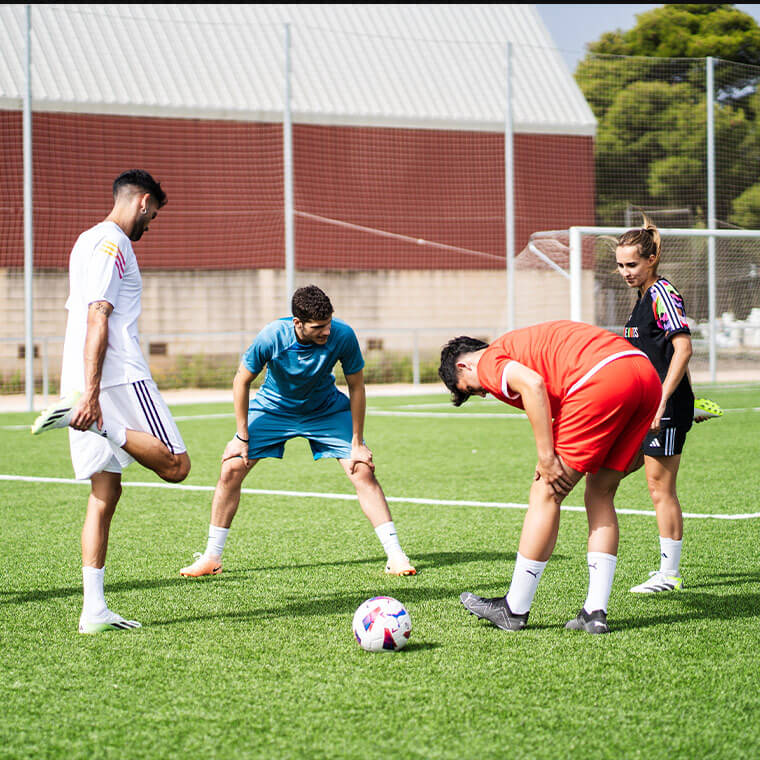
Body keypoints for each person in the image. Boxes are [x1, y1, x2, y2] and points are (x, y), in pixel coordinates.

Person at [31, 169, 191, 634]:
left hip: (88, 377)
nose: (150, 225)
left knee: (105, 492)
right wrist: (94, 396)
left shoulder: (85, 240)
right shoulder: (112, 243)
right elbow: (98, 315)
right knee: (177, 466)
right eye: (153, 215)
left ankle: (93, 610)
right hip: (118, 377)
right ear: (142, 202)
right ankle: (97, 424)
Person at [438, 320, 661, 634]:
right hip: (643, 373)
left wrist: (546, 456)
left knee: (545, 493)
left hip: (600, 378)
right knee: (600, 493)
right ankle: (594, 613)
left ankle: (513, 609)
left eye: (472, 388)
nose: (484, 393)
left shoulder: (489, 360)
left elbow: (532, 385)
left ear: (464, 363)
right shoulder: (520, 345)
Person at [179, 285, 416, 579]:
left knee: (362, 469)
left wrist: (357, 442)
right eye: (318, 328)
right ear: (297, 324)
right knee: (231, 468)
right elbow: (241, 381)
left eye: (328, 324)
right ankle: (211, 558)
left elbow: (356, 386)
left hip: (325, 410)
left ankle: (395, 555)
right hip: (274, 409)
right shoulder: (271, 336)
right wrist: (241, 437)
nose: (326, 333)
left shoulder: (343, 335)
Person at [616, 215, 696, 593]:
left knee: (660, 487)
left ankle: (669, 575)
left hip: (662, 410)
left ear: (651, 261)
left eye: (631, 264)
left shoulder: (663, 293)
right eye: (620, 265)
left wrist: (665, 402)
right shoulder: (641, 298)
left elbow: (683, 348)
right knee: (614, 472)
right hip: (649, 408)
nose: (625, 272)